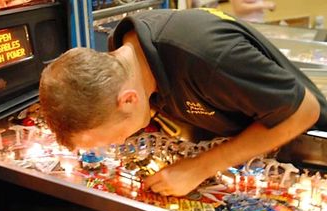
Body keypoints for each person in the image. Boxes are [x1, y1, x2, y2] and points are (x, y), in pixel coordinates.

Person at [39, 8, 327, 197]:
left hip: (306, 152)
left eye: (114, 137)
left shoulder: (207, 56)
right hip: (240, 151)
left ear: (128, 99)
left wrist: (199, 167)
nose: (116, 144)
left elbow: (304, 111)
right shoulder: (124, 57)